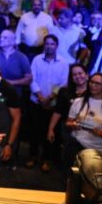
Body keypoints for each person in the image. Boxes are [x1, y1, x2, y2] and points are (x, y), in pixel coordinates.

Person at [28, 35, 69, 172]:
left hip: (53, 104)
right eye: (47, 44)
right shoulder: (36, 60)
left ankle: (46, 159)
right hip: (36, 101)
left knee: (50, 132)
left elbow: (63, 83)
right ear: (43, 45)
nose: (49, 46)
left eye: (52, 44)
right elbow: (32, 79)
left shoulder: (63, 62)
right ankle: (33, 156)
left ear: (56, 46)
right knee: (34, 131)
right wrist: (40, 96)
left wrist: (50, 97)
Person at [64, 72, 102, 167]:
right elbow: (68, 122)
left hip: (98, 149)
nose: (93, 85)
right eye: (91, 82)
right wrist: (73, 125)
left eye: (97, 83)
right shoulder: (78, 101)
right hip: (77, 144)